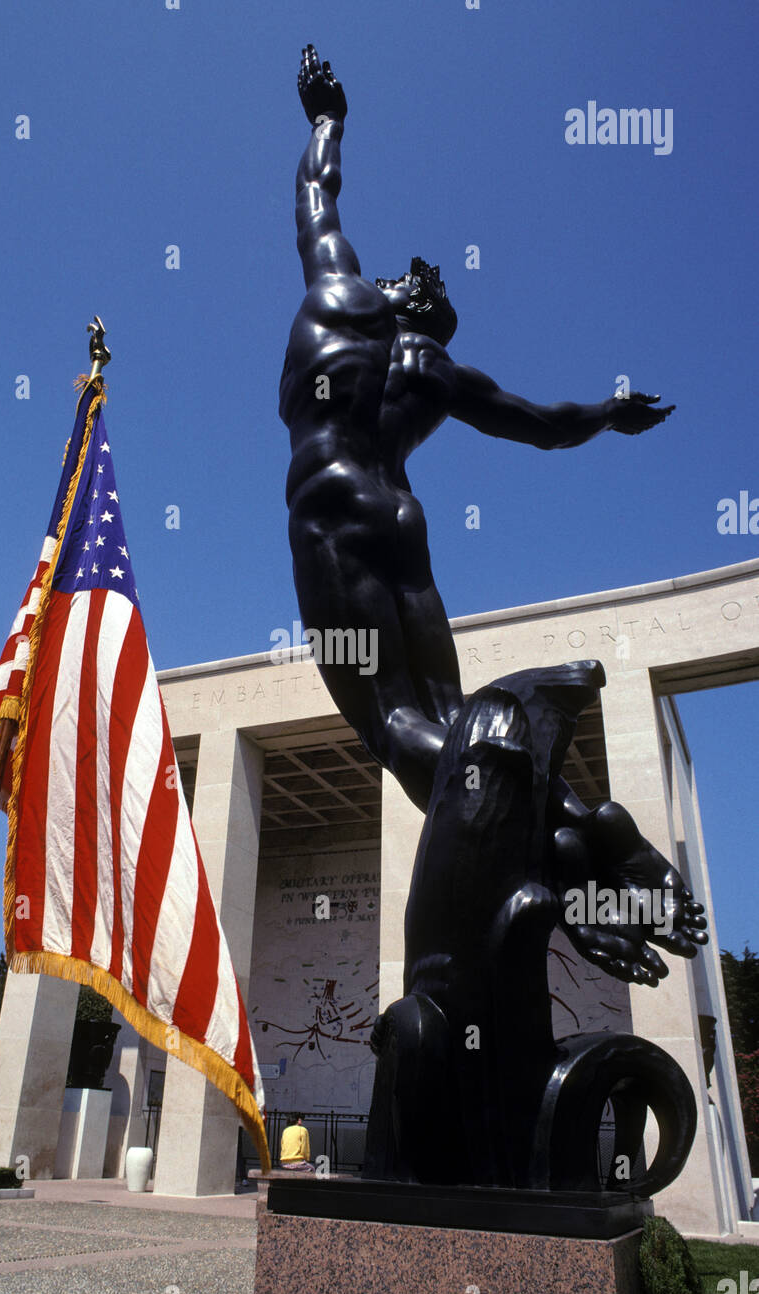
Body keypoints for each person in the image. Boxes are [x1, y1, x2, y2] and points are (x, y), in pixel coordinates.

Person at [280, 46, 706, 985]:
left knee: (397, 728)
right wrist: (610, 411)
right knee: (456, 713)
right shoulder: (440, 373)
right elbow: (546, 428)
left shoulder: (338, 302)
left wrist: (325, 115)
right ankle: (591, 825)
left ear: (396, 295)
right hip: (405, 526)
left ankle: (555, 858)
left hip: (333, 516)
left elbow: (318, 199)